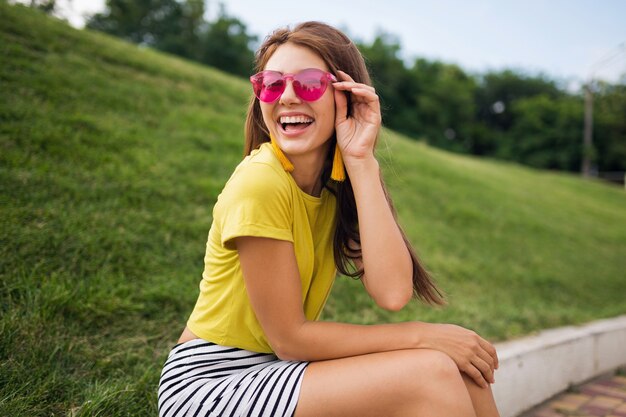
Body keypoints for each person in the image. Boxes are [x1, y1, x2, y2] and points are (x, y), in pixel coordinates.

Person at [157, 21, 501, 417]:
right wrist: (424, 337)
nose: (286, 97)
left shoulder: (336, 184)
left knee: (463, 371)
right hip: (211, 383)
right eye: (271, 83)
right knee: (433, 372)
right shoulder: (260, 183)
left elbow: (392, 293)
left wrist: (361, 161)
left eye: (308, 83)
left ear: (347, 96)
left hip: (274, 369)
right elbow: (290, 338)